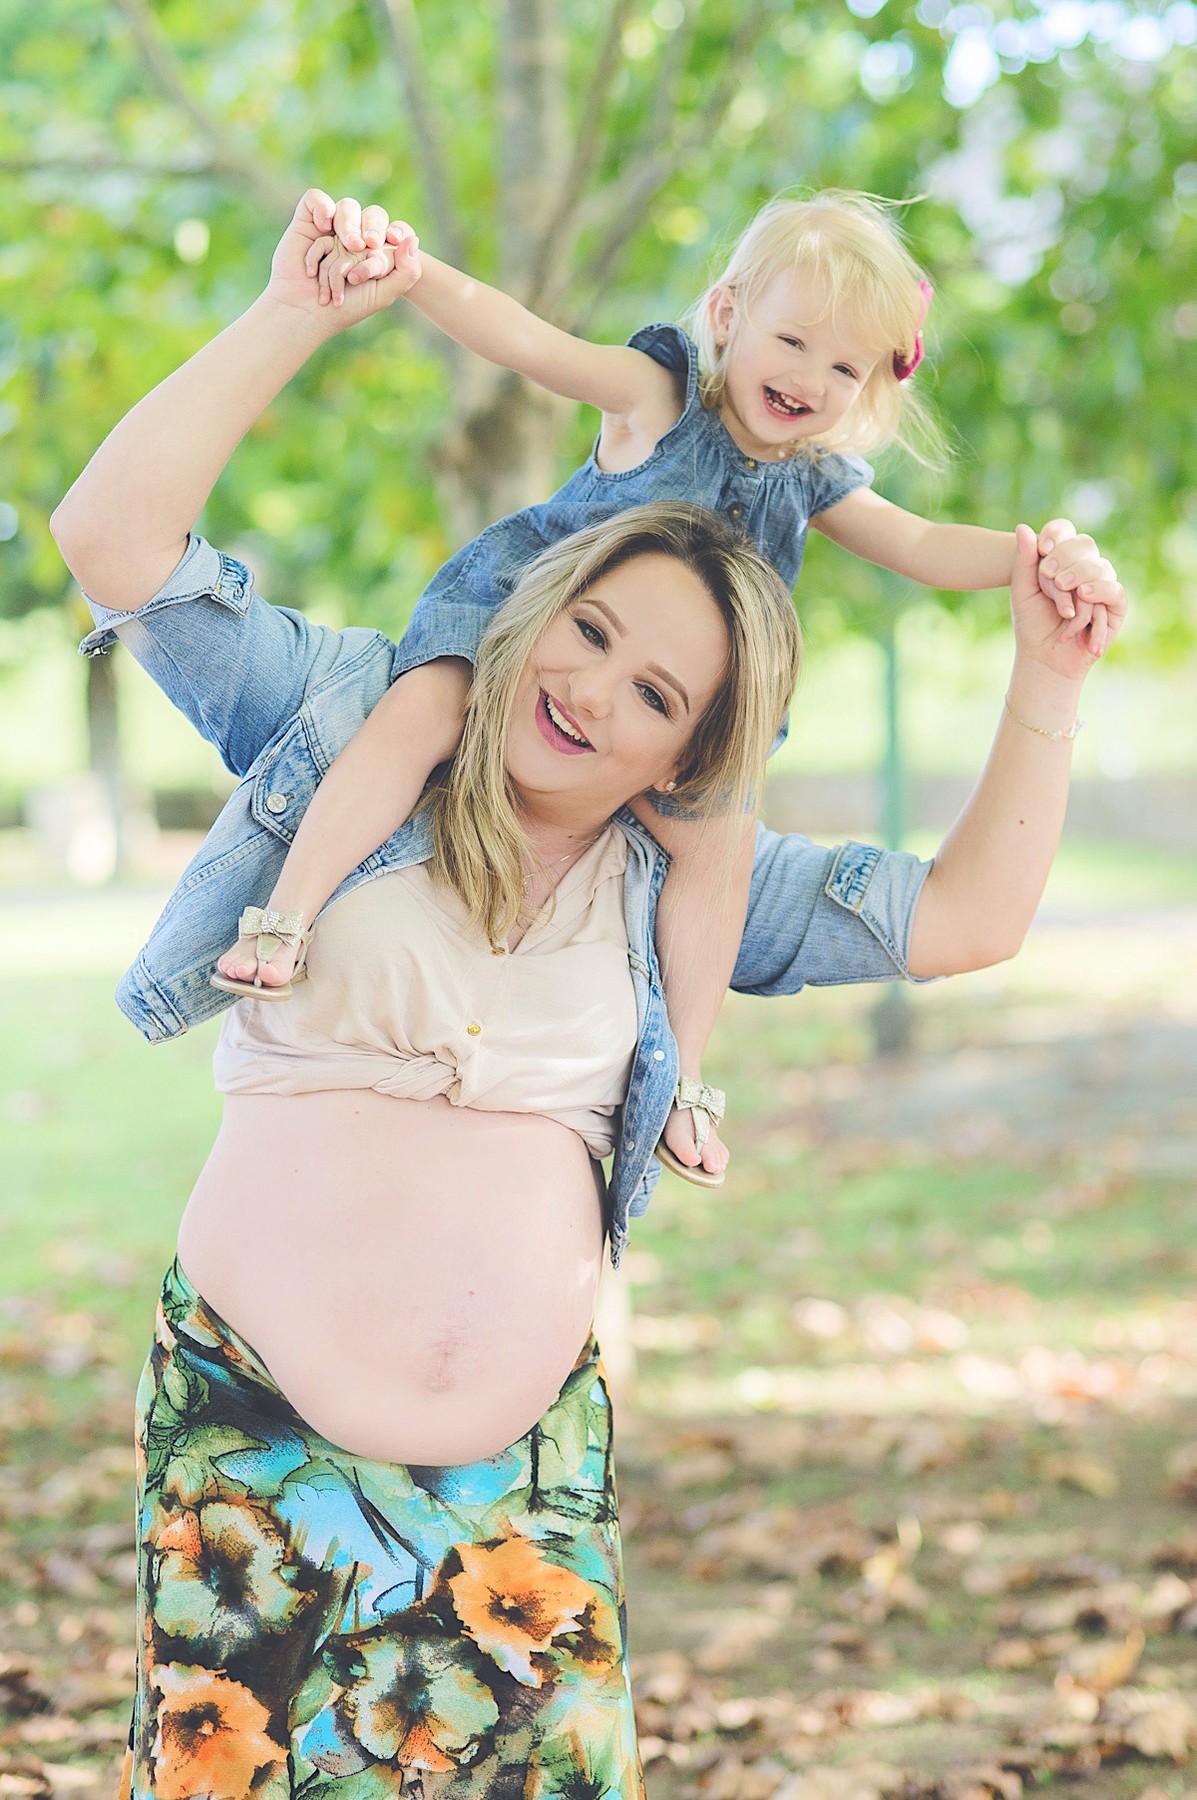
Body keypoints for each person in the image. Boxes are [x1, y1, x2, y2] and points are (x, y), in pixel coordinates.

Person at [50, 190, 1124, 1800]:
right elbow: (113, 546)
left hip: (523, 1486)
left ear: (689, 749)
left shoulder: (679, 877)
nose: (587, 689)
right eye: (589, 629)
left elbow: (968, 918)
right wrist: (295, 312)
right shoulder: (360, 722)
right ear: (538, 598)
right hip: (252, 1438)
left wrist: (1049, 670)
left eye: (655, 692)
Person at [209, 186, 1123, 1189]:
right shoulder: (660, 397)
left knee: (719, 851)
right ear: (729, 315)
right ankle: (287, 915)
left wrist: (1040, 561)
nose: (811, 379)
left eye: (845, 367)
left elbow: (927, 545)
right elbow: (527, 341)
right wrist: (415, 277)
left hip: (670, 716)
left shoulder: (815, 480)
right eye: (794, 341)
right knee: (425, 711)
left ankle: (685, 1078)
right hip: (526, 629)